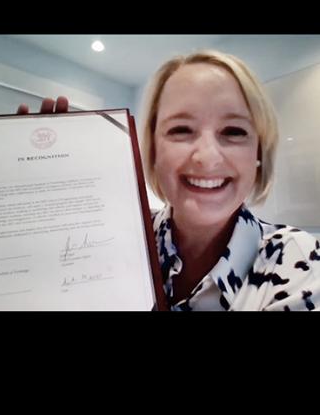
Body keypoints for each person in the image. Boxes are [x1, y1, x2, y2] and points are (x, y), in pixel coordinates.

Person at [19, 50, 319, 310]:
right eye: (181, 130)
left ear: (258, 151)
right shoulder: (113, 240)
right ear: (153, 149)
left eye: (233, 131)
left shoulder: (300, 261)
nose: (207, 157)